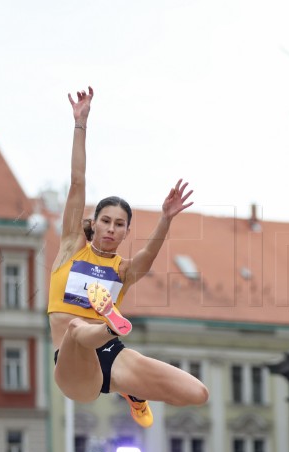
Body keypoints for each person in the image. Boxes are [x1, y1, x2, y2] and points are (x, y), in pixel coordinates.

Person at [48, 86, 209, 428]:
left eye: (119, 224)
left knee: (198, 393)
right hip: (74, 365)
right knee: (77, 329)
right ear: (93, 223)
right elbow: (78, 182)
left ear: (125, 232)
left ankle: (131, 385)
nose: (110, 228)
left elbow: (149, 253)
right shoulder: (70, 249)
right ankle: (109, 324)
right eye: (105, 221)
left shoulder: (123, 271)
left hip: (113, 356)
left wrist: (166, 217)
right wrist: (81, 123)